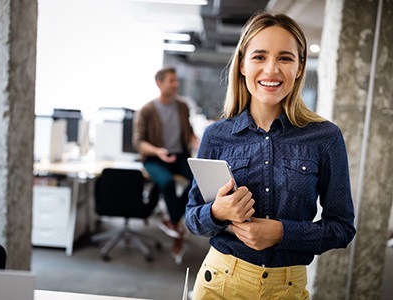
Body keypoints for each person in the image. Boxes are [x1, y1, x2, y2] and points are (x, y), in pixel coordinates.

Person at [185, 12, 356, 299]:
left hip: (286, 288)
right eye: (259, 57)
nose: (271, 69)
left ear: (300, 67)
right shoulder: (216, 135)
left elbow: (342, 228)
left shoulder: (325, 137)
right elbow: (191, 217)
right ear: (242, 64)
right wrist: (217, 212)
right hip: (220, 282)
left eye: (285, 58)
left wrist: (282, 233)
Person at [133, 66, 199, 264]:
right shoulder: (146, 110)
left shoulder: (182, 106)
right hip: (155, 157)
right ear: (159, 83)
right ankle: (178, 225)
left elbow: (189, 132)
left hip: (179, 156)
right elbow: (139, 142)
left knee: (198, 179)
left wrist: (199, 142)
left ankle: (173, 220)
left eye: (176, 80)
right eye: (171, 81)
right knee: (167, 182)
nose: (176, 84)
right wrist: (157, 151)